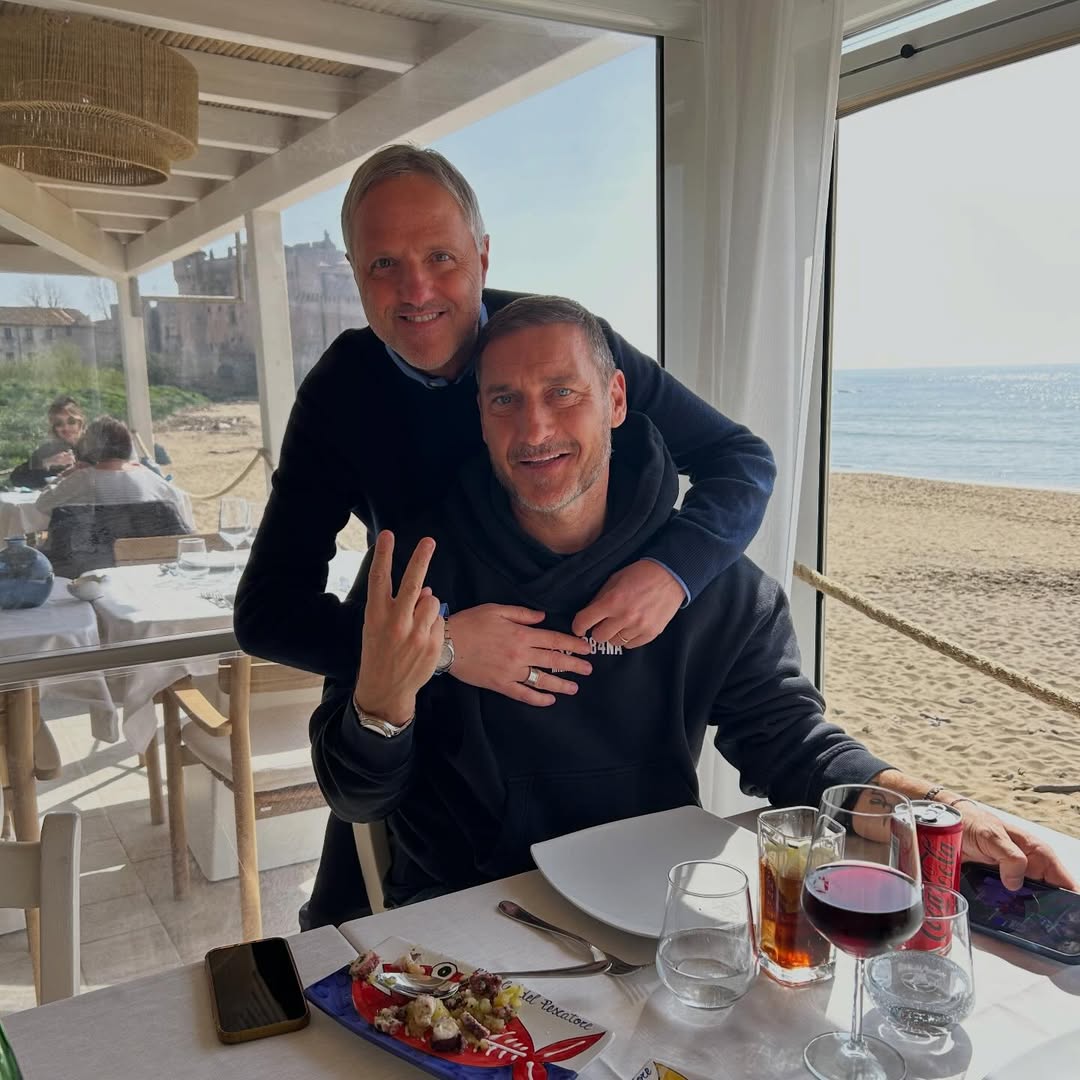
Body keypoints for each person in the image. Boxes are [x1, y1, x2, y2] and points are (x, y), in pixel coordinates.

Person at [310, 296, 1076, 908]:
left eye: (562, 392)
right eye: (504, 399)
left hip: (653, 902)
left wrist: (934, 811)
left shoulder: (714, 584)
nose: (534, 428)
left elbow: (794, 748)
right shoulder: (415, 570)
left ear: (615, 399)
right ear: (480, 417)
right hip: (470, 908)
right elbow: (355, 794)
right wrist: (395, 687)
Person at [234, 145, 778, 927]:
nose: (417, 289)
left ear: (483, 256)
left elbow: (739, 459)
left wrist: (674, 570)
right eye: (384, 264)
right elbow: (266, 612)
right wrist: (443, 647)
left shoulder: (554, 341)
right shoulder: (343, 393)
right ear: (354, 273)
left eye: (441, 257)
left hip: (594, 688)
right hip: (440, 686)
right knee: (371, 880)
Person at [35, 415, 194, 530]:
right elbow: (179, 503)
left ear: (89, 447)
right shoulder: (146, 475)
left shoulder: (83, 478)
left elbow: (43, 504)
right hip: (147, 557)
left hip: (95, 558)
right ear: (128, 445)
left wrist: (63, 476)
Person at [9, 395, 85, 489]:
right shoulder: (48, 450)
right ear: (54, 428)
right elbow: (16, 479)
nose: (66, 428)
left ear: (80, 423)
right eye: (59, 424)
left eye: (71, 422)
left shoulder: (94, 447)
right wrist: (46, 463)